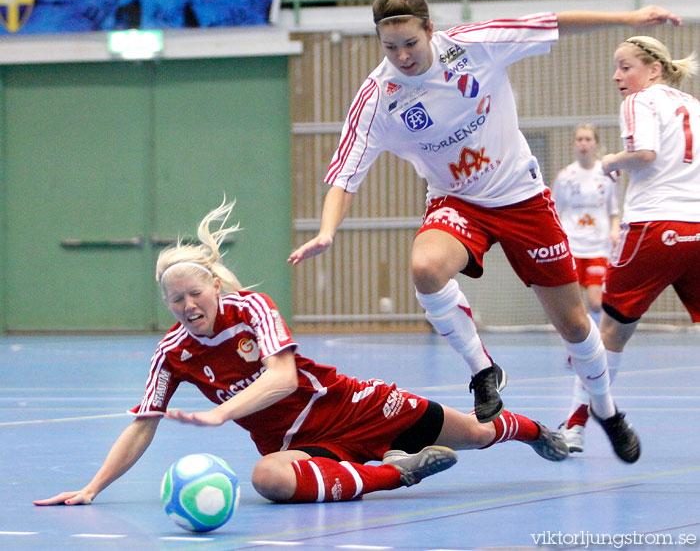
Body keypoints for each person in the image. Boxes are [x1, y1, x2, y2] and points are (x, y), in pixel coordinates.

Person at [288, 0, 680, 463]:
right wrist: (327, 231)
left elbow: (555, 22)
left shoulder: (476, 45)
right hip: (458, 202)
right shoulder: (378, 98)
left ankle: (606, 410)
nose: (403, 55)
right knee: (426, 267)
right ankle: (482, 371)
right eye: (390, 47)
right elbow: (344, 174)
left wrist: (628, 19)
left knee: (577, 327)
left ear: (430, 30)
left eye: (410, 43)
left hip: (522, 197)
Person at [34, 200, 569, 508]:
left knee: (475, 434)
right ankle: (398, 472)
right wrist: (91, 488)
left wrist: (222, 411)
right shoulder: (173, 353)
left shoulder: (252, 309)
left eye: (195, 293)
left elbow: (284, 378)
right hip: (297, 446)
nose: (187, 305)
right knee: (267, 479)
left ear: (214, 289)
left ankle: (537, 432)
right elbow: (142, 424)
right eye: (176, 300)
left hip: (350, 406)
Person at [559, 36, 700, 454]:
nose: (618, 76)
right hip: (697, 227)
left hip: (654, 228)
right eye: (616, 67)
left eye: (626, 67)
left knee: (610, 333)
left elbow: (644, 153)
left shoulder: (640, 102)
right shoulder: (692, 104)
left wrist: (608, 162)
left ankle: (578, 421)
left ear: (653, 69)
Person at [552, 125, 621, 452]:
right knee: (570, 306)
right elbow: (552, 209)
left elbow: (614, 212)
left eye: (587, 139)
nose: (583, 144)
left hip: (596, 248)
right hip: (570, 245)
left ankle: (588, 346)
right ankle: (578, 348)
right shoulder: (565, 177)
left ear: (595, 143)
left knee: (596, 303)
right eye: (578, 139)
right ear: (575, 144)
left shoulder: (606, 177)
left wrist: (614, 231)